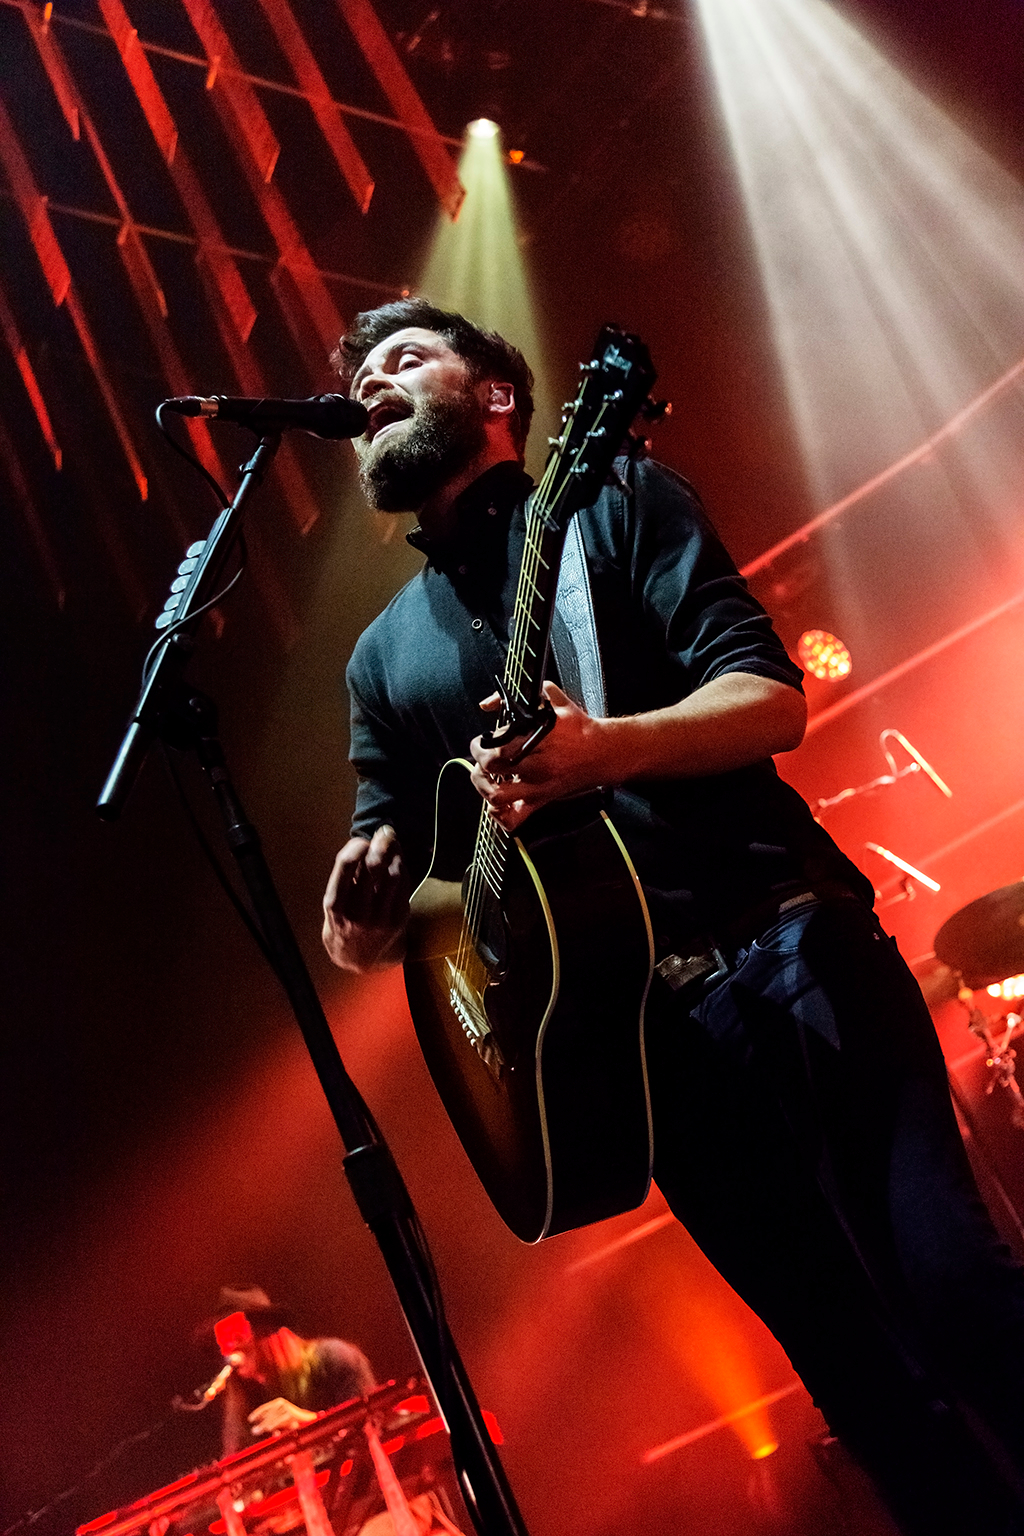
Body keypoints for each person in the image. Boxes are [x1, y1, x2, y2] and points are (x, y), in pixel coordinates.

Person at [321, 298, 1024, 1535]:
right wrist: (355, 918)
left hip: (786, 941)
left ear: (497, 398)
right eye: (359, 376)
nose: (371, 384)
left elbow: (770, 701)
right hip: (643, 1054)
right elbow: (395, 904)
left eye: (406, 358)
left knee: (951, 1283)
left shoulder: (611, 501)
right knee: (855, 1378)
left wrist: (603, 750)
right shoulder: (382, 659)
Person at [205, 1287, 376, 1452]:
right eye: (222, 1339)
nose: (228, 1350)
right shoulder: (242, 1398)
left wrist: (309, 1424)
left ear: (265, 1331)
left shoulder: (336, 1358)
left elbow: (373, 1427)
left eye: (236, 1335)